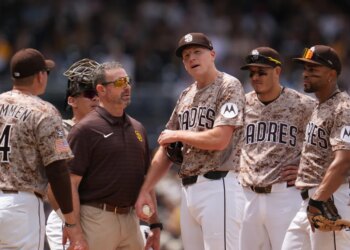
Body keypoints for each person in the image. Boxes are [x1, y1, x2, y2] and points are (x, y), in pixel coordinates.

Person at [135, 32, 246, 250]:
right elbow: (167, 148)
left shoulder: (228, 85)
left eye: (197, 52)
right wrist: (146, 189)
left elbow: (220, 139)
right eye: (186, 56)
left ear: (212, 54)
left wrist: (179, 135)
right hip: (188, 190)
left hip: (220, 185)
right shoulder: (186, 95)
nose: (192, 58)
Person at [67, 61, 161, 250]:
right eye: (118, 83)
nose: (126, 87)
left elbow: (146, 181)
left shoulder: (138, 128)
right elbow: (70, 184)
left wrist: (155, 224)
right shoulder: (85, 129)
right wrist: (74, 231)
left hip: (131, 220)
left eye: (127, 81)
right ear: (101, 90)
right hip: (96, 219)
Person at [0, 48, 87, 250]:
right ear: (40, 76)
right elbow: (58, 171)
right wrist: (70, 221)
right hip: (21, 207)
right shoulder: (43, 111)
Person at [238, 47, 316, 250]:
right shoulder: (241, 104)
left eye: (261, 72)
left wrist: (307, 169)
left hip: (285, 196)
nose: (255, 77)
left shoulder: (303, 105)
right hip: (247, 196)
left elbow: (331, 145)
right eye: (252, 72)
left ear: (277, 71)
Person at [282, 45, 350, 250]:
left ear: (331, 74)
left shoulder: (343, 108)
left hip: (330, 200)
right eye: (305, 68)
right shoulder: (319, 106)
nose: (305, 74)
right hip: (309, 202)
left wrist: (318, 199)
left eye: (313, 69)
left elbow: (345, 161)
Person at [46, 58, 100, 250]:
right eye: (88, 93)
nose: (95, 98)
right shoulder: (60, 130)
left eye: (98, 93)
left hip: (100, 216)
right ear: (71, 100)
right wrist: (70, 222)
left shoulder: (109, 130)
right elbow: (54, 183)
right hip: (65, 215)